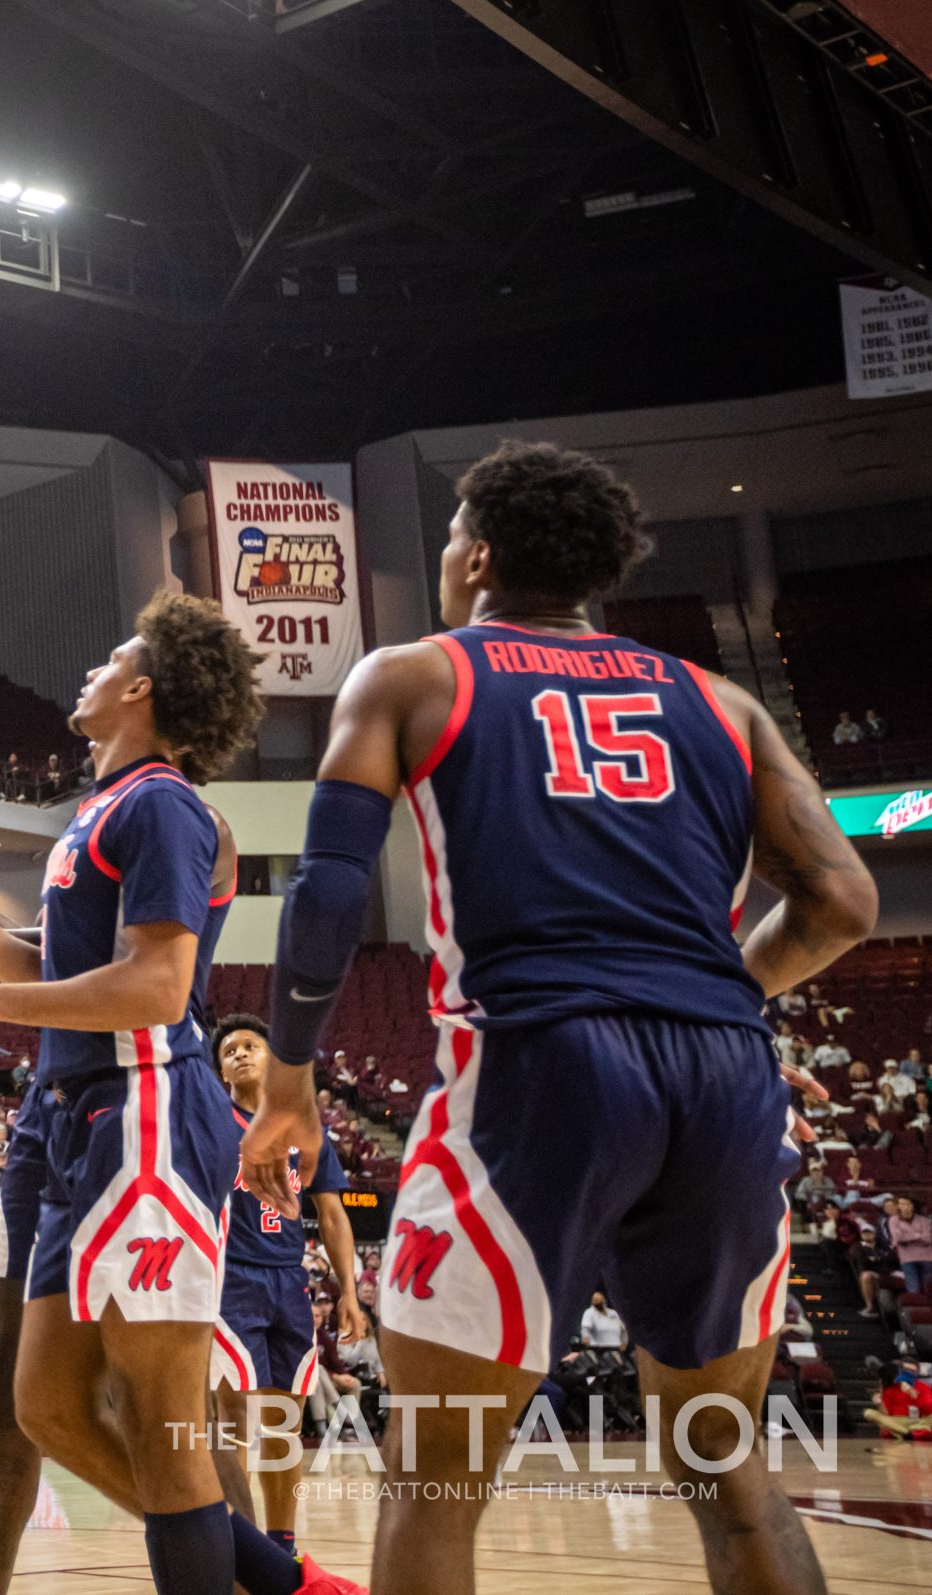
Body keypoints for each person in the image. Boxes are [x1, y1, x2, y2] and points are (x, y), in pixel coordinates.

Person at [238, 441, 879, 1595]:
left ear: (476, 554)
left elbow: (328, 889)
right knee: (728, 1466)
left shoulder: (412, 674)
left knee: (434, 1480)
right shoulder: (722, 701)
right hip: (726, 1070)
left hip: (540, 1058)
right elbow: (842, 900)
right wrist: (716, 992)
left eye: (445, 540)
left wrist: (289, 1083)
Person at [0, 595, 328, 1595]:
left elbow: (158, 989)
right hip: (71, 1113)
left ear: (142, 687)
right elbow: (55, 961)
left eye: (110, 656)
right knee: (44, 1405)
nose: (88, 670)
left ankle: (271, 1580)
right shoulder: (98, 810)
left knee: (164, 1425)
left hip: (146, 1111)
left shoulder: (163, 803)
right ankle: (283, 1583)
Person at [209, 1016, 361, 1557]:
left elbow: (334, 1215)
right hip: (228, 1278)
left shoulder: (302, 1125)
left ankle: (281, 1545)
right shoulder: (210, 1118)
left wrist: (349, 1291)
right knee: (229, 1420)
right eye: (230, 1050)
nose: (242, 1054)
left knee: (282, 1423)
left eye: (252, 1045)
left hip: (288, 1281)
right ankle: (236, 1546)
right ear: (219, 1067)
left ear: (274, 1060)